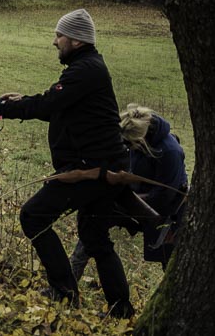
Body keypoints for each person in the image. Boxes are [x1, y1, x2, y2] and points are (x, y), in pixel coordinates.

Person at [0, 9, 135, 318]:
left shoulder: (85, 70)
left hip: (91, 172)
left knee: (33, 216)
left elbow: (49, 103)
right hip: (104, 168)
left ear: (74, 40)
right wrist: (11, 104)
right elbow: (55, 107)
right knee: (96, 239)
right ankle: (121, 311)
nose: (54, 41)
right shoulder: (87, 68)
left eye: (59, 36)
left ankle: (64, 292)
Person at [70, 105, 188, 279]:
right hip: (132, 198)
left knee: (170, 261)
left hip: (168, 210)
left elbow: (163, 196)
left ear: (141, 139)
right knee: (92, 223)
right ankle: (68, 282)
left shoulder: (170, 152)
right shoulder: (128, 138)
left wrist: (125, 200)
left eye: (129, 143)